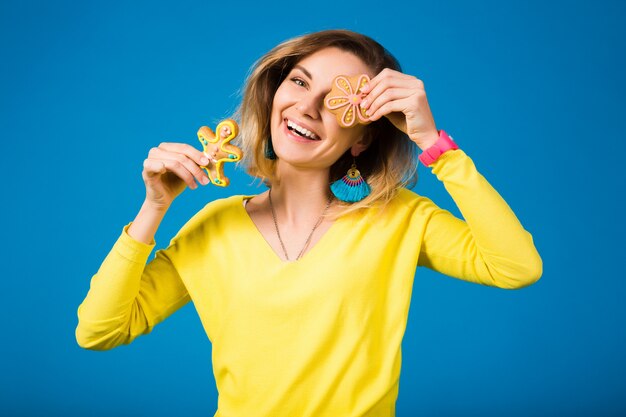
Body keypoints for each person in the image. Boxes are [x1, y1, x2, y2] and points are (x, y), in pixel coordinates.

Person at [76, 29, 542, 417]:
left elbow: (516, 267)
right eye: (299, 82)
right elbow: (99, 330)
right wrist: (153, 207)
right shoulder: (215, 225)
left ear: (362, 138)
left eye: (337, 100)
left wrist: (431, 141)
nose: (307, 107)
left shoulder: (400, 218)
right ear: (275, 92)